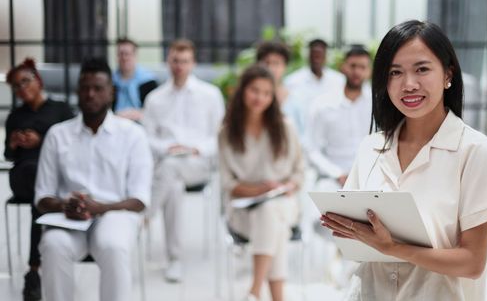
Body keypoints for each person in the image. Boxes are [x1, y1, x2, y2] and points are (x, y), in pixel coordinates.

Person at [320, 20, 487, 301]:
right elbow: (359, 240)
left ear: (447, 75)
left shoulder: (475, 152)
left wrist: (393, 248)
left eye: (422, 69)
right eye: (395, 72)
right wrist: (351, 231)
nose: (408, 84)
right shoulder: (371, 147)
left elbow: (472, 263)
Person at [35, 58, 153, 301]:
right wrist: (64, 205)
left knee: (113, 245)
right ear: (77, 92)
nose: (90, 94)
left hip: (115, 214)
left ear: (111, 93)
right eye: (85, 88)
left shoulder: (133, 135)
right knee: (52, 244)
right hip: (68, 219)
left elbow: (140, 199)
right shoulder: (58, 135)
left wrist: (101, 207)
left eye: (98, 88)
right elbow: (42, 196)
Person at [218, 65, 304, 301]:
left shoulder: (285, 128)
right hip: (242, 211)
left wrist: (286, 187)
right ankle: (272, 296)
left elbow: (299, 173)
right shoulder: (226, 132)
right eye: (255, 90)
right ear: (243, 91)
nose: (260, 98)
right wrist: (260, 189)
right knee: (271, 217)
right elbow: (228, 183)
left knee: (271, 211)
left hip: (284, 203)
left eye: (267, 93)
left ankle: (254, 291)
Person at [142, 39, 225, 282]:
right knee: (173, 183)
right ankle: (174, 258)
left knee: (170, 170)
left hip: (198, 163)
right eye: (175, 61)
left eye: (185, 61)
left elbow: (219, 136)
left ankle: (144, 216)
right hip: (168, 164)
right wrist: (168, 147)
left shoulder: (210, 95)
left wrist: (195, 148)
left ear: (193, 63)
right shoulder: (155, 98)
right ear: (168, 62)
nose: (179, 66)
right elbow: (146, 138)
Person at [4, 58, 74, 301]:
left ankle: (34, 271)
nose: (22, 88)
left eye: (25, 81)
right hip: (25, 174)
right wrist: (14, 144)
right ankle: (38, 267)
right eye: (16, 86)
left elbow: (73, 146)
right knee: (37, 186)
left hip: (54, 176)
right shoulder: (15, 116)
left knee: (41, 197)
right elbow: (8, 156)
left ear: (38, 81)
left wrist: (42, 141)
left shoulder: (61, 109)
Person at [305, 46, 372, 187]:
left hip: (370, 176)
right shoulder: (322, 104)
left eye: (362, 67)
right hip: (332, 178)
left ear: (369, 71)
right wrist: (337, 173)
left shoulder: (378, 104)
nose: (357, 72)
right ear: (343, 67)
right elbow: (312, 149)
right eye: (352, 66)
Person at [283, 38, 345, 136]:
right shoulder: (292, 81)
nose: (317, 59)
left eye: (320, 55)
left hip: (331, 135)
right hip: (301, 134)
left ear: (325, 56)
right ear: (308, 56)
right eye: (314, 55)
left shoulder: (339, 81)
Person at [113, 38, 158, 121]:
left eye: (127, 54)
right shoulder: (110, 81)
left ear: (135, 55)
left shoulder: (148, 81)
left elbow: (155, 109)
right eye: (121, 54)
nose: (124, 58)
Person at [256, 41, 291, 106]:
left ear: (285, 67)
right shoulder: (250, 97)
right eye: (266, 63)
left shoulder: (294, 99)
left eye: (276, 63)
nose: (270, 68)